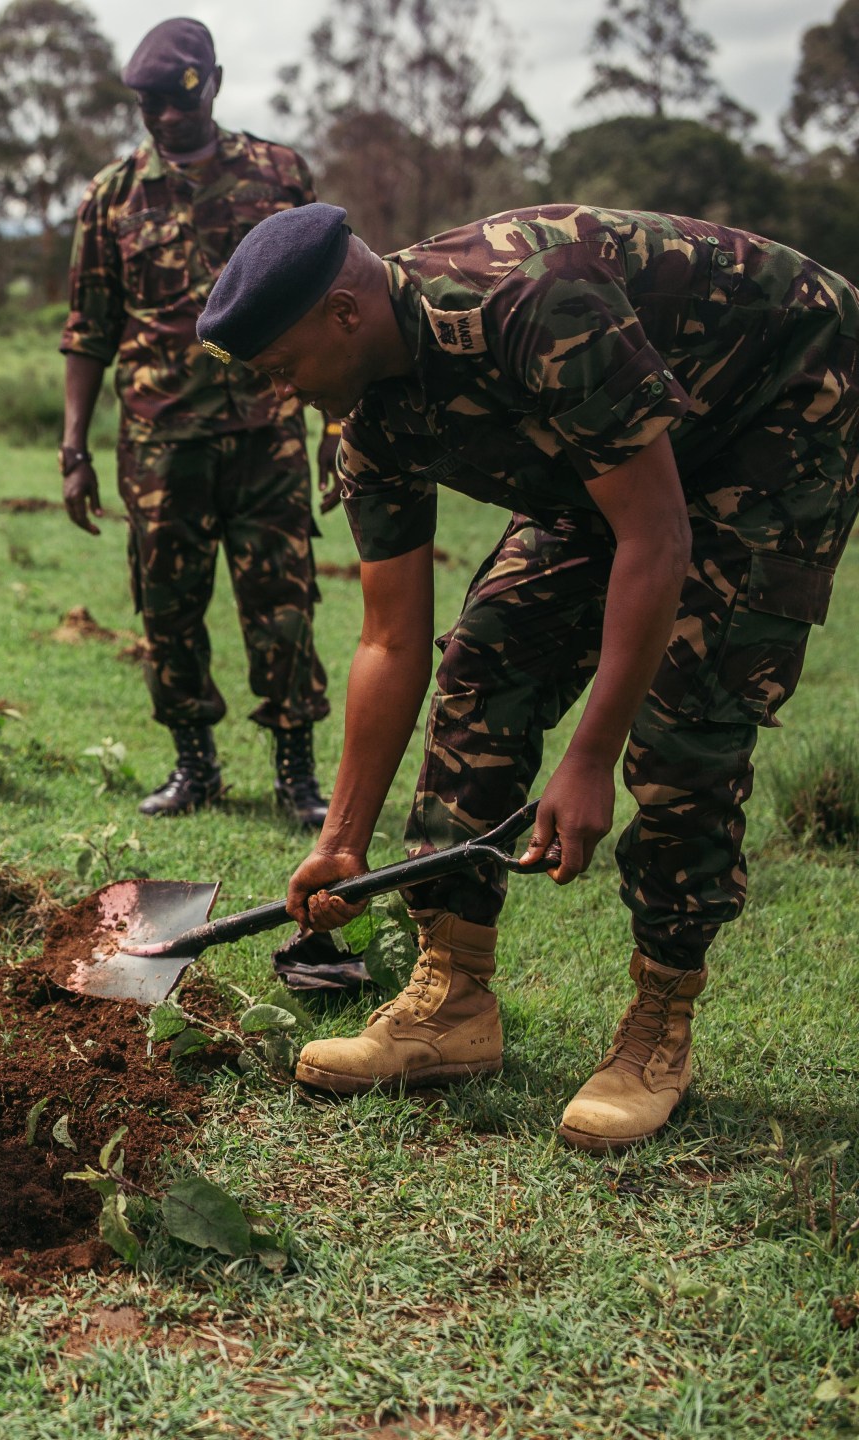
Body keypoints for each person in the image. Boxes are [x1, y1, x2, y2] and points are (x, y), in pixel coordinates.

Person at [197, 201, 859, 1151]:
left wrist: (590, 755)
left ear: (345, 313)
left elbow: (657, 534)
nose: (284, 393)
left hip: (780, 401)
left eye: (283, 367)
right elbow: (392, 638)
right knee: (485, 660)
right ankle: (452, 1000)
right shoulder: (365, 412)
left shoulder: (533, 304)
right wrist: (343, 841)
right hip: (612, 450)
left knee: (685, 720)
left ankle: (657, 1028)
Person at [59, 17, 331, 825]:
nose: (167, 118)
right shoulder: (111, 196)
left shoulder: (281, 176)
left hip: (267, 431)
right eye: (148, 106)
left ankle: (298, 776)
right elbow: (87, 328)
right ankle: (195, 767)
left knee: (283, 604)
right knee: (168, 608)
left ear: (212, 83)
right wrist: (73, 448)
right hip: (157, 440)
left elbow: (328, 303)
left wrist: (343, 422)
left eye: (178, 100)